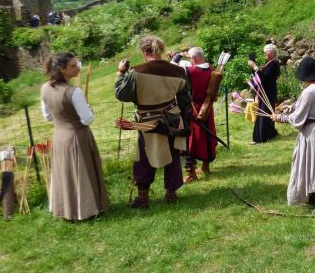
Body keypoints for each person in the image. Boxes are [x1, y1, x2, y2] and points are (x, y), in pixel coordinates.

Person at [115, 35, 191, 208]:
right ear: (161, 50)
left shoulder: (137, 72)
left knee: (144, 158)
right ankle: (171, 194)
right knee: (172, 156)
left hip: (148, 121)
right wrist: (185, 119)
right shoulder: (178, 70)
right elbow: (185, 98)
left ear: (143, 51)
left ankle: (143, 198)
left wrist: (120, 74)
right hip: (173, 118)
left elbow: (122, 94)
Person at [40, 52, 109, 220]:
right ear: (62, 69)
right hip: (77, 138)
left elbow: (48, 117)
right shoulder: (74, 92)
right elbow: (86, 120)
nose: (78, 68)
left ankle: (66, 210)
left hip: (59, 138)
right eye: (73, 65)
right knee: (80, 174)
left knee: (65, 174)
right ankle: (84, 210)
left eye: (77, 64)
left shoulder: (45, 88)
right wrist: (89, 110)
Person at [272, 57, 315, 206]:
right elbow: (308, 105)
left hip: (314, 132)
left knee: (312, 164)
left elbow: (299, 116)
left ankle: (313, 196)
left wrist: (279, 117)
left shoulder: (309, 91)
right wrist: (292, 106)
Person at [183, 47, 216, 183]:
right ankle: (205, 167)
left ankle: (191, 174)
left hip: (195, 109)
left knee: (191, 141)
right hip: (208, 108)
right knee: (208, 136)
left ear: (193, 59)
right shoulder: (211, 68)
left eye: (190, 58)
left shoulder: (190, 71)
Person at [247, 44, 280, 144]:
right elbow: (260, 75)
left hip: (269, 92)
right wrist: (254, 68)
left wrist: (255, 67)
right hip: (266, 91)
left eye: (266, 51)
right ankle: (270, 133)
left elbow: (265, 78)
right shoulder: (269, 62)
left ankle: (261, 137)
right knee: (266, 113)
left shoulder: (274, 63)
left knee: (264, 113)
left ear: (272, 53)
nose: (264, 53)